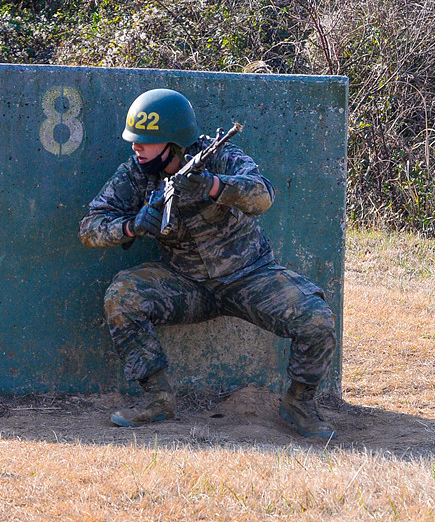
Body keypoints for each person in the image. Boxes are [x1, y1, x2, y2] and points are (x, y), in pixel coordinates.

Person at [79, 88, 338, 439]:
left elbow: (263, 194)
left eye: (145, 141)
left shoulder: (218, 157)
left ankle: (299, 403)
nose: (135, 147)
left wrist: (215, 186)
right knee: (123, 296)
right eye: (135, 141)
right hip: (186, 283)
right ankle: (157, 399)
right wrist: (131, 226)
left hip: (249, 276)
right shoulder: (136, 173)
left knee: (316, 317)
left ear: (172, 142)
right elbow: (90, 227)